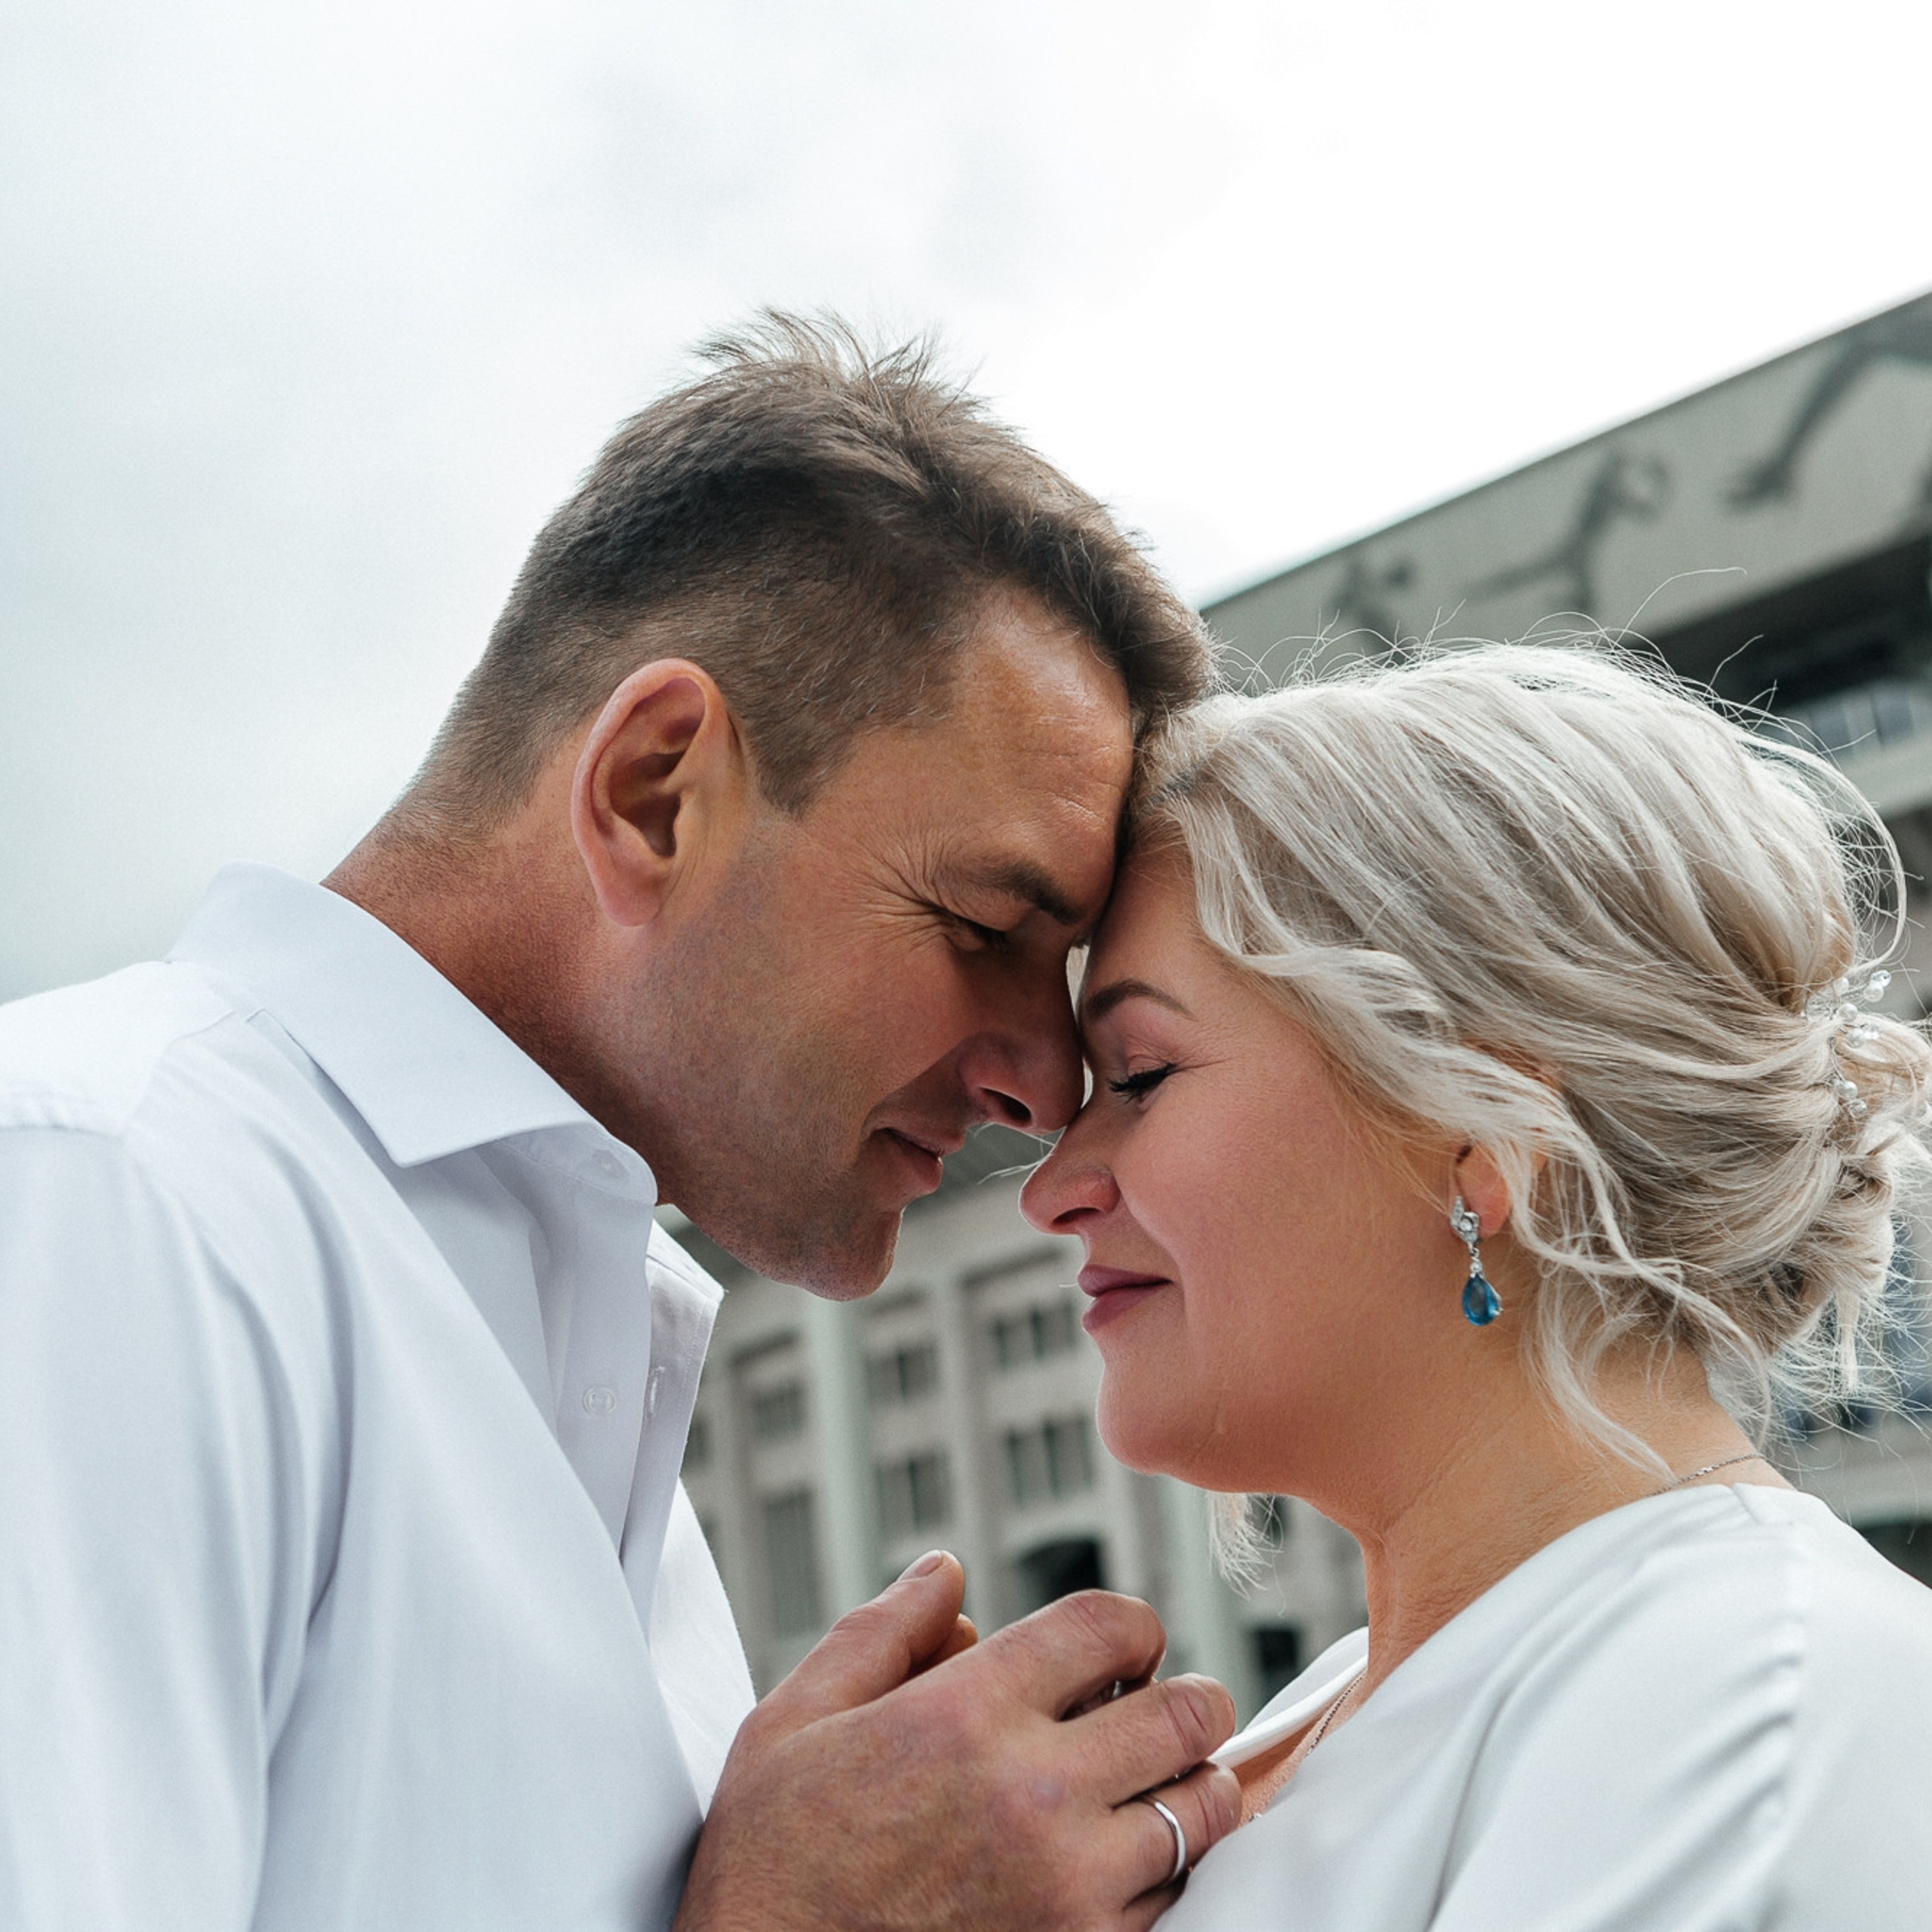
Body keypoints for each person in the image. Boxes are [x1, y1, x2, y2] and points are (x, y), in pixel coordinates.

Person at [0, 316, 1242, 1932]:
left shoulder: (567, 1336)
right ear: (657, 788)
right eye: (982, 927)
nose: (1043, 1085)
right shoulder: (98, 1199)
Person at [1020, 642, 1932, 1927]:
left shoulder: (1744, 1699)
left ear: (1478, 1132)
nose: (1051, 1185)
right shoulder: (1363, 1702)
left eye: (1140, 1076)